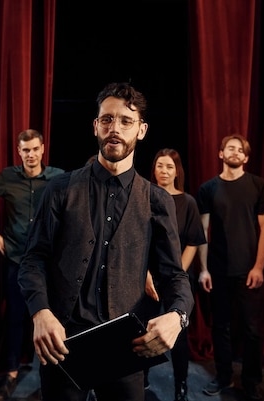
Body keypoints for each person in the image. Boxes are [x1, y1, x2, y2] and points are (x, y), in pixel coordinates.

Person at [17, 82, 194, 401]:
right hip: (63, 342)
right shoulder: (60, 189)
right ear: (95, 126)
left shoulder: (157, 200)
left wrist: (177, 316)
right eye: (107, 119)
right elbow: (33, 259)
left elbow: (174, 276)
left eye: (126, 121)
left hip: (124, 347)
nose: (115, 128)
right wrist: (40, 312)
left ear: (141, 130)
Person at [0, 129, 64, 400]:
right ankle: (11, 373)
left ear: (43, 149)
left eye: (35, 149)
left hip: (49, 263)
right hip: (16, 261)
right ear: (19, 151)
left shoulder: (58, 178)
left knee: (51, 319)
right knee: (14, 318)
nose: (31, 155)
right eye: (26, 150)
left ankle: (50, 376)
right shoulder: (8, 177)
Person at [196, 134, 264, 400]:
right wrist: (204, 268)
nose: (235, 152)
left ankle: (251, 383)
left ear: (245, 157)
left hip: (248, 271)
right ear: (221, 154)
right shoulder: (208, 189)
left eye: (240, 150)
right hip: (218, 271)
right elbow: (204, 231)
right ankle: (223, 376)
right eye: (230, 148)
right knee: (220, 328)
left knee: (252, 330)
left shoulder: (258, 185)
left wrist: (259, 267)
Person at [144, 148, 207, 401]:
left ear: (177, 171)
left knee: (179, 335)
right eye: (160, 166)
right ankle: (144, 380)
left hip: (176, 279)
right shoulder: (144, 196)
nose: (164, 171)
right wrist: (146, 273)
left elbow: (193, 241)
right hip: (146, 277)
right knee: (143, 330)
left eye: (169, 167)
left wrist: (177, 273)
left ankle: (181, 385)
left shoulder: (188, 202)